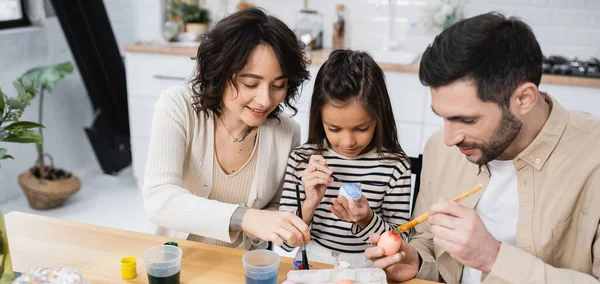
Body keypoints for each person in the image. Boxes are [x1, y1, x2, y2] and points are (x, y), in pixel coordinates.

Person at [365, 13, 600, 284]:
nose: (449, 138)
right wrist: (415, 264)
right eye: (443, 118)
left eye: (466, 119)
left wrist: (493, 257)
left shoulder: (593, 159)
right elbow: (428, 243)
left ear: (524, 99)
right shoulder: (442, 149)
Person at [143, 8, 312, 250]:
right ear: (220, 72)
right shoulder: (178, 107)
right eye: (250, 83)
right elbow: (159, 198)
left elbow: (276, 209)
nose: (265, 100)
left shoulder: (287, 132)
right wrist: (245, 217)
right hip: (172, 264)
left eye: (279, 85)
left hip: (239, 270)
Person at [280, 50, 412, 267]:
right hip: (313, 263)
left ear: (379, 118)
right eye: (334, 128)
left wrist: (366, 218)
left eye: (362, 128)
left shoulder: (395, 166)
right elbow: (285, 243)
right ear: (319, 118)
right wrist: (310, 202)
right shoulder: (302, 160)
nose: (348, 141)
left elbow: (401, 240)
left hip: (368, 267)